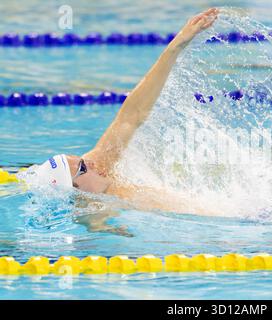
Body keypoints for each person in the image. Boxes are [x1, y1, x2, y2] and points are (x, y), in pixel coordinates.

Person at [18, 9, 220, 229]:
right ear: (76, 188)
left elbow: (132, 115)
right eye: (84, 167)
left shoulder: (100, 168)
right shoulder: (95, 217)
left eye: (83, 159)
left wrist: (178, 43)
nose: (93, 161)